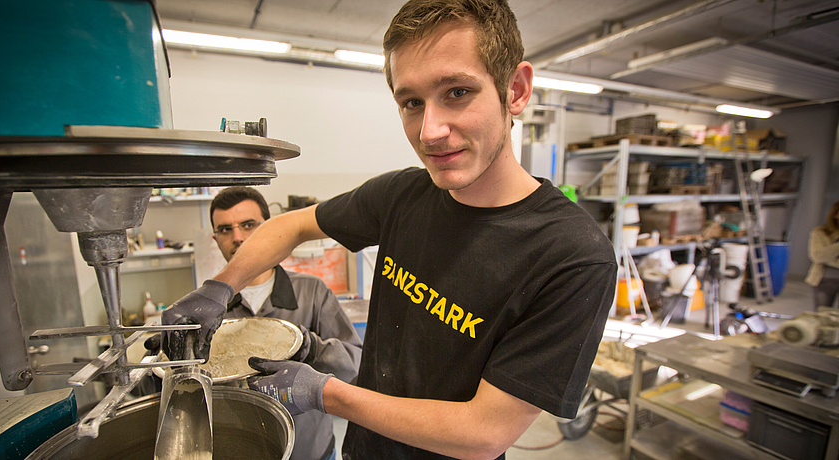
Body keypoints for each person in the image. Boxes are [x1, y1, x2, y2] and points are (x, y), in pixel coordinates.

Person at [162, 0, 617, 458]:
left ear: (515, 90)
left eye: (457, 92)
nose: (430, 132)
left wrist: (324, 393)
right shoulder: (403, 195)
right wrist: (220, 287)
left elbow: (484, 433)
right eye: (412, 103)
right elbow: (292, 225)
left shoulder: (572, 257)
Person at [209, 186, 362, 460]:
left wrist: (311, 348)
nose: (238, 237)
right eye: (225, 229)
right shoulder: (210, 309)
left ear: (267, 228)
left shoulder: (312, 293)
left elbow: (355, 365)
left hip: (311, 450)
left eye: (248, 225)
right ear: (215, 238)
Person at [805, 200, 839, 309]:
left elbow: (825, 256)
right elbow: (818, 256)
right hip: (824, 280)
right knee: (822, 314)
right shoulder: (819, 232)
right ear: (835, 215)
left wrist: (829, 256)